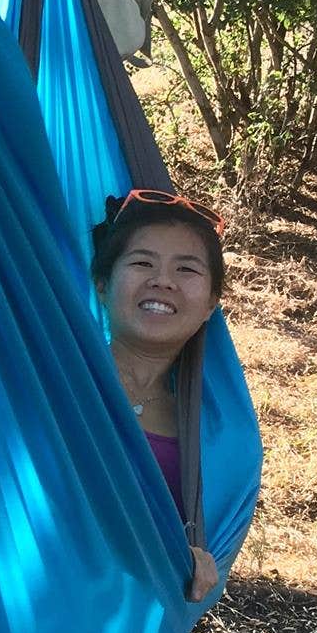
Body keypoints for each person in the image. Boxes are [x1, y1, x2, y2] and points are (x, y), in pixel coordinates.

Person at [90, 188, 227, 603]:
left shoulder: (211, 441)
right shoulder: (60, 384)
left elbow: (200, 546)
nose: (162, 280)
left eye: (186, 270)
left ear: (210, 304)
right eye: (142, 262)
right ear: (102, 285)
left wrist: (193, 560)